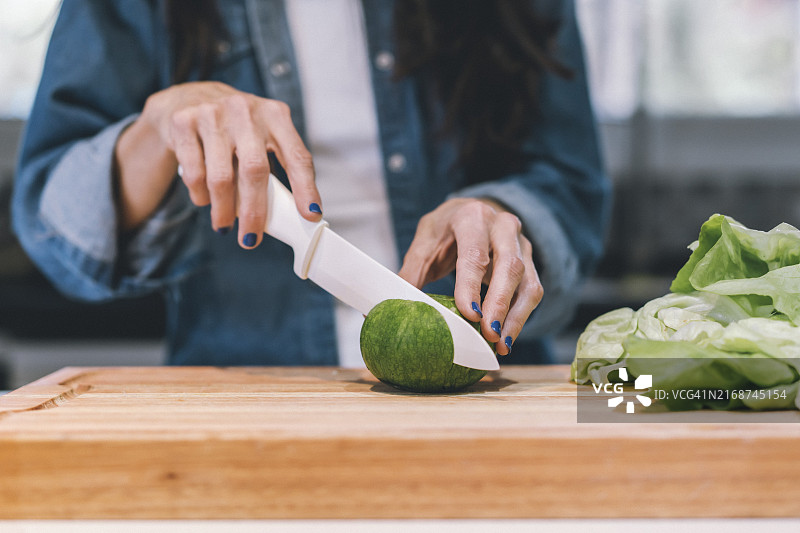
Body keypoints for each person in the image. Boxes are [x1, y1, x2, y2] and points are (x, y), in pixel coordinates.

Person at [12, 0, 611, 367]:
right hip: (246, 403)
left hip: (485, 390)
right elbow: (51, 223)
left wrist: (500, 212)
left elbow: (572, 183)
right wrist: (159, 127)